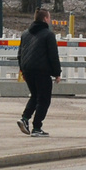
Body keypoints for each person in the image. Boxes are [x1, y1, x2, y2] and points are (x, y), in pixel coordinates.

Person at [16, 8, 60, 137]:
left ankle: (24, 118)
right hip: (42, 71)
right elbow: (53, 55)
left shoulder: (25, 34)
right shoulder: (48, 34)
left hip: (28, 70)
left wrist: (23, 70)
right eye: (49, 17)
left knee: (35, 96)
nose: (50, 20)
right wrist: (57, 73)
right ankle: (37, 127)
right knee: (44, 99)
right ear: (45, 19)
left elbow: (20, 54)